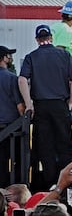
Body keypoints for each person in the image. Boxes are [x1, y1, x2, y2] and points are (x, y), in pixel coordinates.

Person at [18, 22, 72, 189]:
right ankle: (66, 184)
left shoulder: (31, 57)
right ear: (51, 38)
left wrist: (29, 103)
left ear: (37, 39)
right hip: (60, 106)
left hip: (41, 107)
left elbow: (22, 79)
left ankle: (48, 185)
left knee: (45, 146)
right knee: (64, 146)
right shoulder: (64, 55)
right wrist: (71, 102)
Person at [0, 45, 26, 187]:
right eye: (8, 55)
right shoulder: (11, 78)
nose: (10, 58)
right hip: (10, 128)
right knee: (16, 159)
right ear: (4, 58)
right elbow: (20, 106)